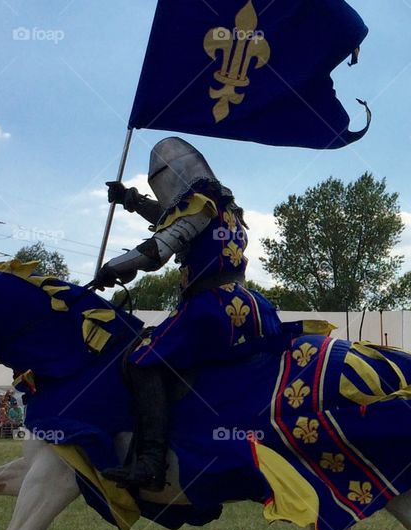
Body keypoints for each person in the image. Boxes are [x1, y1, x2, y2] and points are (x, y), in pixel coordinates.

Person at [90, 137, 284, 491]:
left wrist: (112, 267)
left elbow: (157, 249)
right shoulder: (227, 208)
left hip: (211, 307)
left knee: (141, 360)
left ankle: (150, 462)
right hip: (246, 305)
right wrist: (131, 200)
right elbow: (173, 220)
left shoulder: (198, 203)